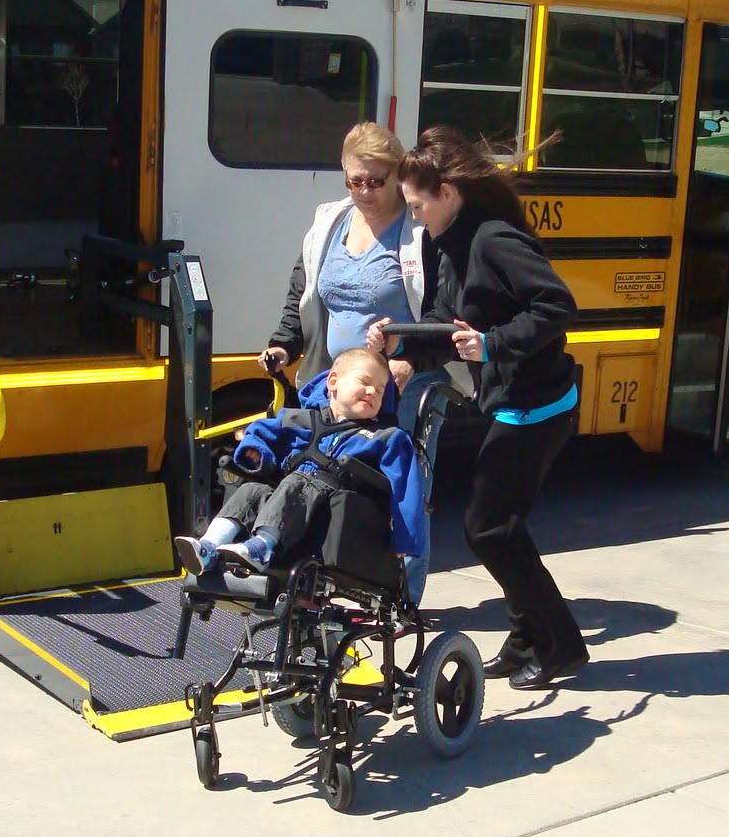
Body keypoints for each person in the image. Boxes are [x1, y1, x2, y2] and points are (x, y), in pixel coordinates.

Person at [368, 126, 587, 691]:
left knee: (488, 528)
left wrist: (493, 345)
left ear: (448, 192)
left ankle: (560, 645)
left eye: (417, 205)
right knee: (498, 527)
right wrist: (403, 346)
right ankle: (524, 641)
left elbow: (558, 305)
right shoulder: (449, 242)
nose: (414, 218)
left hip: (540, 405)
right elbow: (446, 320)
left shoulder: (493, 240)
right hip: (511, 403)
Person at [259, 121, 456, 605]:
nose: (365, 191)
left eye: (377, 180)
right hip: (338, 381)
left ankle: (403, 598)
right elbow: (302, 291)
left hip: (403, 383)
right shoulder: (331, 219)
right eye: (355, 180)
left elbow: (447, 305)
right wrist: (285, 343)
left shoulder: (419, 231)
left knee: (401, 492)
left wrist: (407, 358)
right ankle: (323, 585)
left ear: (397, 176)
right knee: (321, 476)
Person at [175, 347, 425, 579]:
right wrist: (257, 452)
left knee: (297, 482)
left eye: (381, 390)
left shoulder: (386, 437)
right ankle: (208, 547)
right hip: (291, 512)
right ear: (333, 382)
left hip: (338, 519)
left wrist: (405, 540)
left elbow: (405, 490)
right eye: (365, 383)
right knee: (251, 491)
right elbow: (261, 431)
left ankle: (261, 547)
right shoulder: (301, 420)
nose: (373, 392)